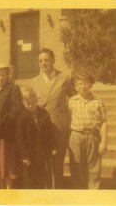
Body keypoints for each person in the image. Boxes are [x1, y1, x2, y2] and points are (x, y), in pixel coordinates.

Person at [31, 48, 74, 188]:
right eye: (41, 61)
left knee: (58, 162)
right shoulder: (34, 81)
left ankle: (58, 192)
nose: (44, 63)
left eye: (47, 60)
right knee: (44, 163)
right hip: (41, 127)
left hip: (59, 126)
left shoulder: (64, 78)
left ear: (53, 60)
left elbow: (74, 98)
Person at [68, 70, 107, 189]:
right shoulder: (71, 101)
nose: (83, 86)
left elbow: (104, 122)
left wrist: (103, 141)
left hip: (93, 137)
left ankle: (93, 194)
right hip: (76, 136)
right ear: (75, 86)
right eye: (80, 83)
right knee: (77, 167)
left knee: (94, 169)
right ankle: (79, 195)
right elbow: (68, 118)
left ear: (90, 85)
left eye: (86, 83)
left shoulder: (98, 102)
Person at [0, 63, 24, 189]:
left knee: (6, 159)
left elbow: (17, 107)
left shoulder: (13, 89)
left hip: (5, 128)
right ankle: (2, 190)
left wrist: (6, 120)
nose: (0, 78)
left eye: (3, 75)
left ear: (7, 76)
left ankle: (10, 190)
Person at [16, 87, 57, 189]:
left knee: (42, 177)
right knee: (30, 179)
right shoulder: (22, 117)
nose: (31, 105)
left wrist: (52, 147)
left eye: (33, 102)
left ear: (37, 100)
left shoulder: (44, 113)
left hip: (42, 152)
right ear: (23, 103)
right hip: (30, 154)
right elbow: (20, 138)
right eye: (28, 103)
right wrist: (24, 156)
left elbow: (49, 133)